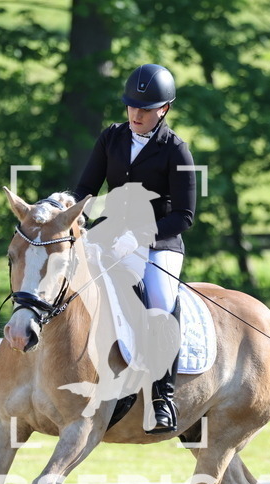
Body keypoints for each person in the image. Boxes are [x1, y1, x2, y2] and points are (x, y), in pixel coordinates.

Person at [73, 63, 197, 434]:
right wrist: (65, 209)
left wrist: (142, 238)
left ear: (164, 109)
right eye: (131, 107)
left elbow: (185, 216)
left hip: (160, 242)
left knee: (159, 300)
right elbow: (86, 191)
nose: (136, 115)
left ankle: (163, 397)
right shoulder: (111, 138)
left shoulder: (177, 150)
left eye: (145, 109)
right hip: (110, 236)